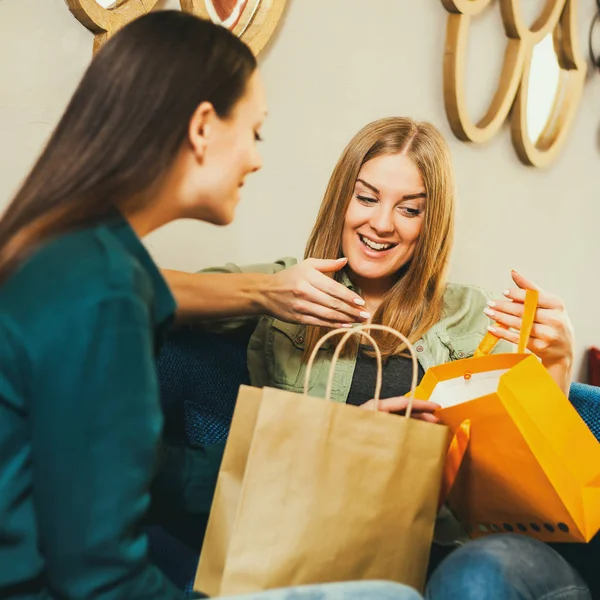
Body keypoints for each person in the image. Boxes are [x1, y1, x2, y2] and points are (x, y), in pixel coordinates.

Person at [0, 13, 423, 600]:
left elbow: (152, 473)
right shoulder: (101, 289)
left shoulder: (73, 254)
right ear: (202, 128)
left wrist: (327, 462)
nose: (256, 159)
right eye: (255, 132)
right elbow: (100, 578)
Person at [167, 117, 588, 599]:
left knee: (474, 579)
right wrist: (263, 292)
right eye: (367, 198)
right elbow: (132, 289)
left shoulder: (476, 316)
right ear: (341, 198)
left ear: (432, 222)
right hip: (308, 539)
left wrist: (556, 362)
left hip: (445, 545)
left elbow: (531, 490)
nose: (382, 223)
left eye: (409, 209)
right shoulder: (293, 285)